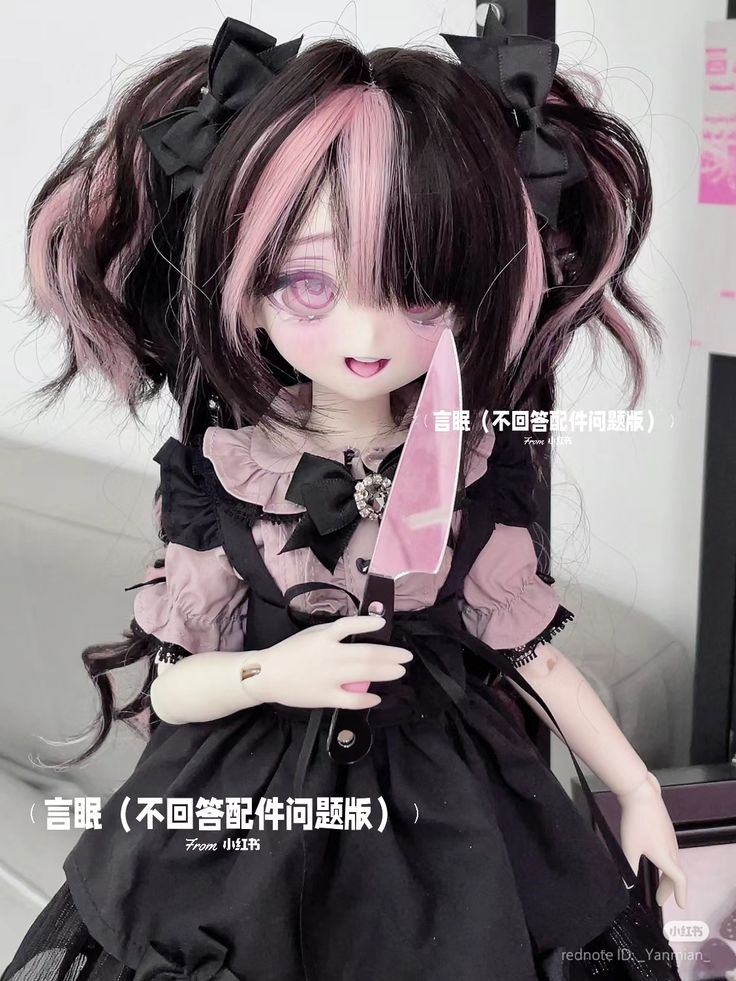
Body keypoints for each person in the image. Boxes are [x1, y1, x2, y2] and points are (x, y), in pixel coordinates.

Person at [3, 13, 687, 981]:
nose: (367, 335)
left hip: (446, 826)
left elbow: (535, 656)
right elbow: (175, 686)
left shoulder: (465, 467)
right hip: (248, 824)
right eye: (310, 285)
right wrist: (272, 673)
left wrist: (639, 790)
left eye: (418, 292)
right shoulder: (227, 475)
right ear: (245, 288)